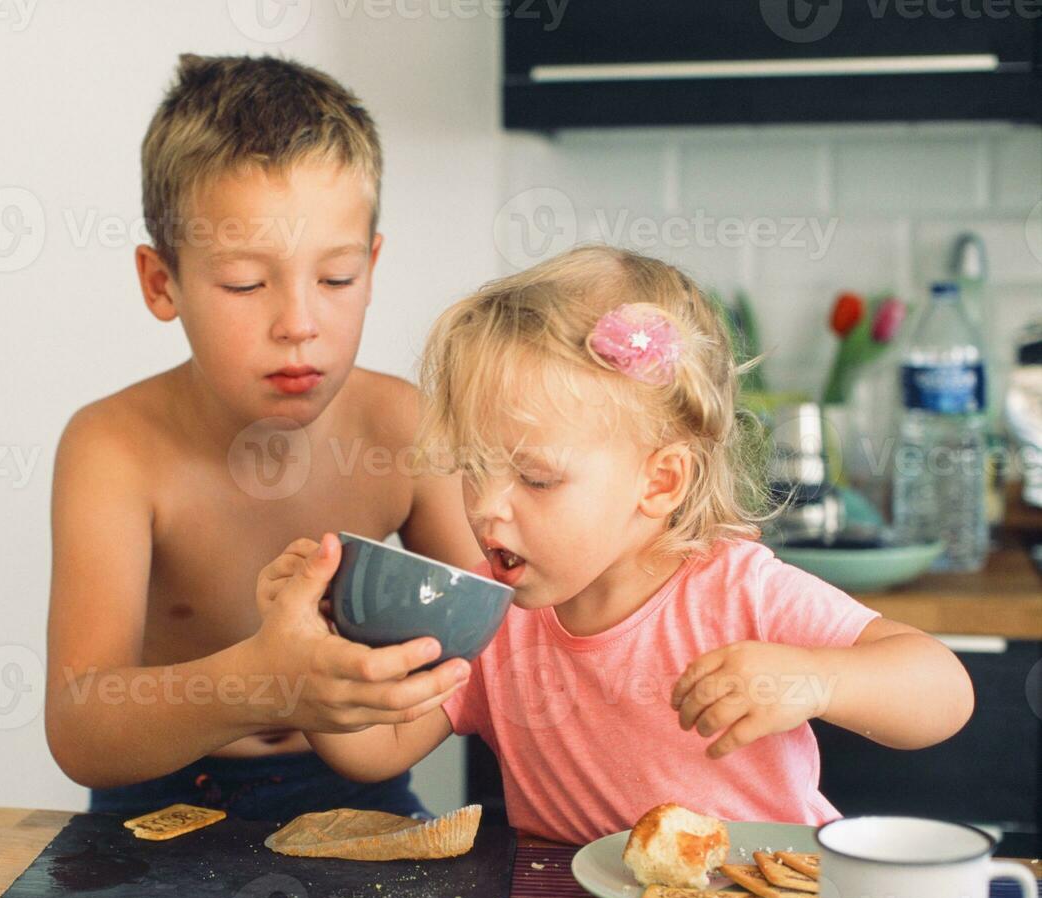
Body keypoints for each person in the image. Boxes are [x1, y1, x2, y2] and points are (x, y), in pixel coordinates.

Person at [276, 244, 976, 844]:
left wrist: (817, 679)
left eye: (536, 478)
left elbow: (943, 691)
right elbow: (378, 750)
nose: (486, 507)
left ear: (660, 480)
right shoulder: (489, 614)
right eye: (472, 467)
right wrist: (304, 650)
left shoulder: (736, 590)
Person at [44, 54, 479, 822]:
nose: (299, 324)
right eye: (246, 283)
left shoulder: (402, 426)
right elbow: (80, 726)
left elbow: (512, 619)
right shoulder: (113, 448)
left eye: (337, 279)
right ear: (161, 283)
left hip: (359, 794)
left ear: (372, 268)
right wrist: (260, 681)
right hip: (164, 802)